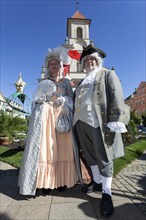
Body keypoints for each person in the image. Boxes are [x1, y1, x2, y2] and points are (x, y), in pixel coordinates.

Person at [73, 44, 130, 217]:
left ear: (98, 61)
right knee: (89, 154)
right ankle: (97, 182)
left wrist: (116, 119)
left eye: (92, 59)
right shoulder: (82, 81)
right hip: (80, 122)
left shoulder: (107, 74)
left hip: (98, 121)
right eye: (86, 60)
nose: (89, 62)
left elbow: (116, 95)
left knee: (104, 156)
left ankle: (107, 193)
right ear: (83, 63)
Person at [18, 46, 79, 196]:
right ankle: (46, 183)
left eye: (56, 63)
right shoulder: (44, 81)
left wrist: (63, 99)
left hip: (62, 118)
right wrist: (42, 99)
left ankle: (61, 180)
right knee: (46, 150)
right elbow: (35, 101)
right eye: (51, 63)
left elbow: (72, 100)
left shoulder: (66, 83)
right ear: (48, 66)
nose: (54, 66)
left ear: (60, 65)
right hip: (46, 120)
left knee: (63, 150)